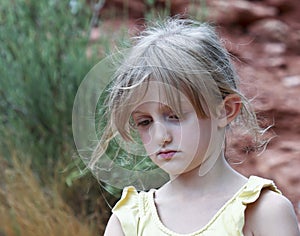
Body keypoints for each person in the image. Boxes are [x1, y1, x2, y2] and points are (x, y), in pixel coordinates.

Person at [89, 17, 299, 235]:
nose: (161, 136)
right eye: (145, 122)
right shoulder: (129, 221)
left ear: (225, 111)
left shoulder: (262, 212)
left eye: (175, 116)